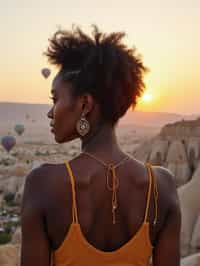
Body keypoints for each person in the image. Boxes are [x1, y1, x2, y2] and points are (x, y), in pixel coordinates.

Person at [20, 25, 181, 266]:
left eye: (55, 99)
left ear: (85, 105)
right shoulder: (163, 186)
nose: (50, 112)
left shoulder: (43, 185)